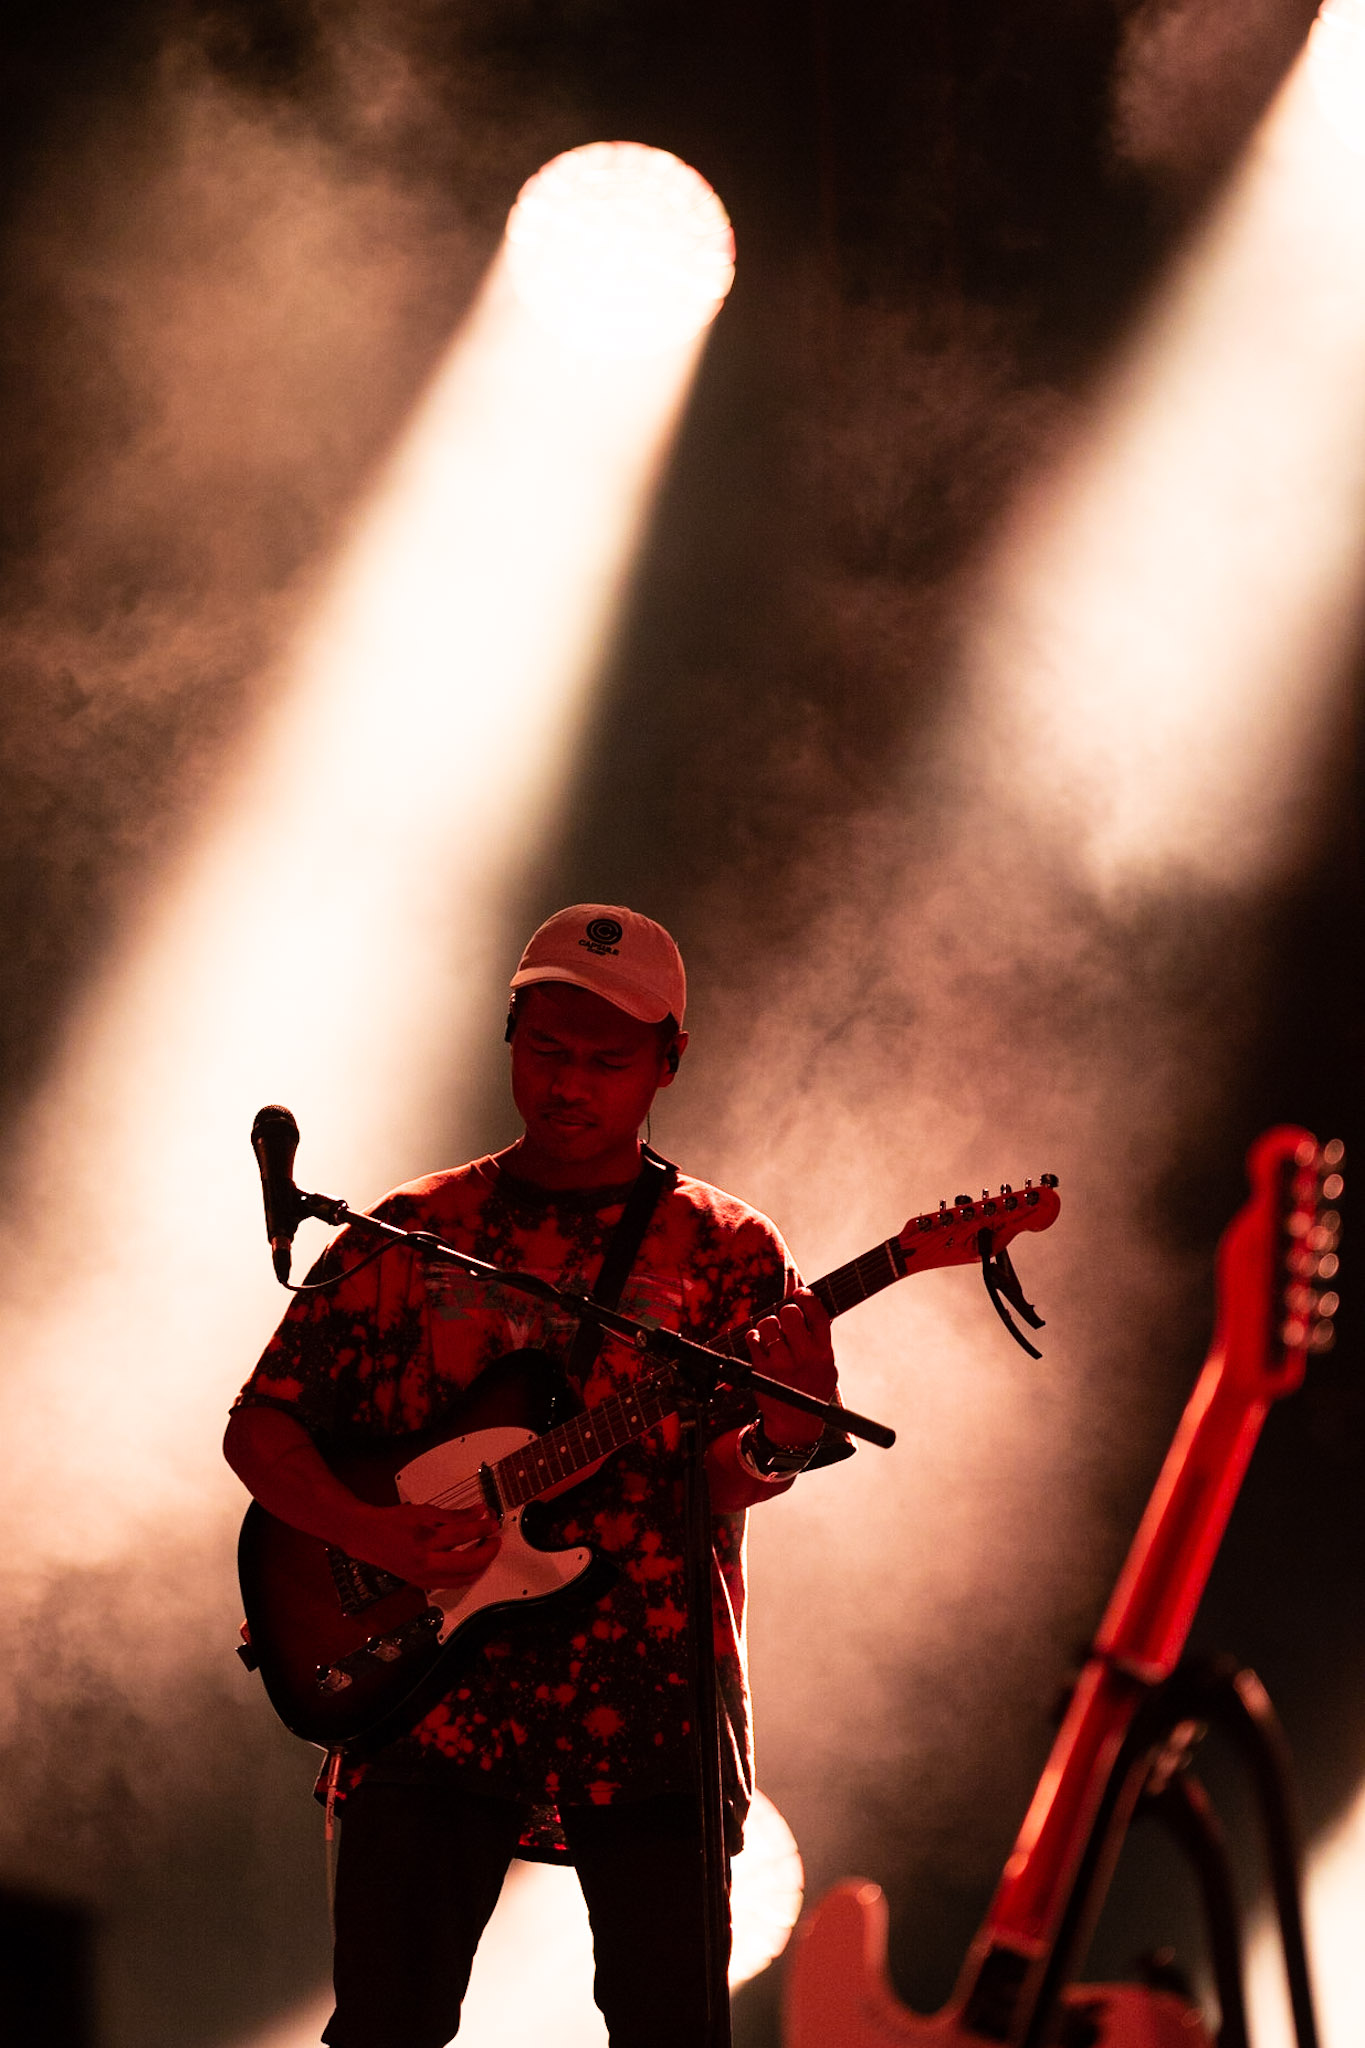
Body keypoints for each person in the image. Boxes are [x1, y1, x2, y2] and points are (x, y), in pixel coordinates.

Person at [224, 903, 838, 2048]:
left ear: (669, 1060)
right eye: (547, 1048)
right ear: (509, 1033)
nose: (569, 1083)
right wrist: (371, 1529)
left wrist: (786, 1436)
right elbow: (261, 1429)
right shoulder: (409, 1230)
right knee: (387, 2026)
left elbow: (721, 1476)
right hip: (430, 1696)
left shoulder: (729, 1250)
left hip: (650, 1700)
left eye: (607, 1060)